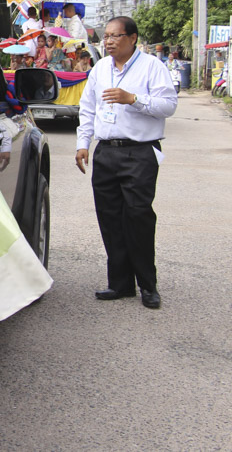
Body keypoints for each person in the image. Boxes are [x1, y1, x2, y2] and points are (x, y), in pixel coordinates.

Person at [74, 16, 178, 310]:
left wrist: (133, 99)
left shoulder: (152, 67)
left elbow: (168, 105)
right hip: (106, 152)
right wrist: (83, 143)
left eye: (115, 36)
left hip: (139, 152)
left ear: (132, 38)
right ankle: (120, 284)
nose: (108, 41)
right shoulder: (100, 69)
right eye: (106, 36)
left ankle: (148, 286)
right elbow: (88, 108)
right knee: (109, 218)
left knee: (138, 217)